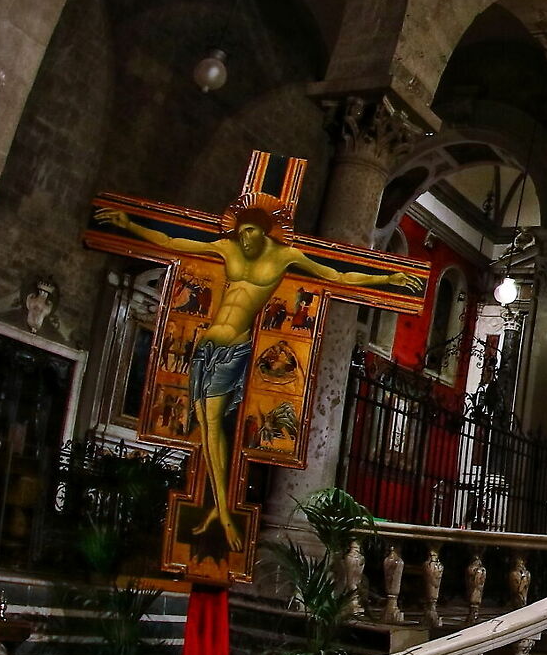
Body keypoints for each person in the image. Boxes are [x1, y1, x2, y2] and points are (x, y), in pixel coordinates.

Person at [93, 206, 421, 550]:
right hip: (207, 346)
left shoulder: (285, 256)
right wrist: (129, 223)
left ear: (267, 234)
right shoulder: (228, 247)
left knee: (217, 426)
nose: (245, 238)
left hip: (234, 349)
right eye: (242, 230)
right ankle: (214, 509)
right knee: (204, 427)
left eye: (252, 232)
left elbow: (337, 275)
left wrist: (387, 278)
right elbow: (175, 241)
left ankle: (222, 510)